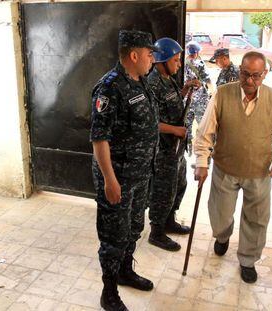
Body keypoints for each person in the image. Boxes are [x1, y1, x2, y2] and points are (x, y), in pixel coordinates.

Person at [194, 51, 272, 283]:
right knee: (219, 214)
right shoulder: (222, 93)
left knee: (256, 219)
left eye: (256, 76)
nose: (249, 81)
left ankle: (248, 260)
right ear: (239, 70)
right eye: (245, 74)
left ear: (265, 74)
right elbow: (205, 132)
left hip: (259, 172)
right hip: (225, 168)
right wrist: (201, 161)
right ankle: (222, 236)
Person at [90, 30, 160, 311]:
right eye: (149, 53)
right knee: (113, 237)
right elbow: (99, 138)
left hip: (140, 174)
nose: (152, 58)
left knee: (133, 228)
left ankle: (125, 272)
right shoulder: (109, 87)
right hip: (118, 177)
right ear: (134, 55)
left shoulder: (140, 82)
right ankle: (109, 293)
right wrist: (110, 180)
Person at [147, 38, 200, 251]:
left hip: (176, 149)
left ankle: (169, 220)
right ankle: (156, 231)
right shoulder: (152, 84)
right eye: (176, 60)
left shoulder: (167, 79)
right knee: (163, 190)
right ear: (162, 60)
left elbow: (174, 102)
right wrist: (175, 130)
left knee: (179, 185)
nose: (179, 64)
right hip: (163, 149)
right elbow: (150, 121)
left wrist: (186, 89)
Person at [184, 41, 212, 156]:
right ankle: (204, 153)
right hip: (200, 100)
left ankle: (188, 150)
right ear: (196, 52)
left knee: (187, 125)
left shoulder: (182, 63)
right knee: (203, 126)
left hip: (187, 100)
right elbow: (208, 80)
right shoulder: (200, 64)